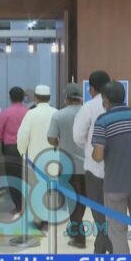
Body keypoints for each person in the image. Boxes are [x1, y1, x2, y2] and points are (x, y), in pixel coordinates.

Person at [91, 82, 131, 254]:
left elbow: (98, 156)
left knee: (117, 230)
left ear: (105, 100)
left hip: (115, 184)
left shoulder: (103, 121)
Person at [73, 70, 114, 254]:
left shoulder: (89, 107)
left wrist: (90, 145)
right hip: (117, 169)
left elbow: (78, 136)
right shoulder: (119, 105)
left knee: (99, 215)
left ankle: (110, 251)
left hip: (95, 168)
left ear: (91, 89)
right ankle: (101, 251)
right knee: (113, 215)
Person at [48, 83, 87, 248]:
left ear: (67, 98)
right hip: (89, 166)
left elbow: (51, 138)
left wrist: (61, 143)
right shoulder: (90, 114)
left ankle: (79, 237)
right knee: (83, 200)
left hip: (67, 166)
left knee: (71, 201)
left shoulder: (59, 115)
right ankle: (76, 228)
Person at [17, 85, 58, 229]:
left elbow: (22, 136)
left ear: (35, 97)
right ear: (49, 97)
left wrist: (22, 152)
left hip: (34, 159)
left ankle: (38, 219)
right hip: (53, 159)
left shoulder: (31, 114)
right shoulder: (56, 113)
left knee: (35, 189)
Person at [0, 87, 29, 217]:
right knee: (26, 177)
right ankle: (27, 206)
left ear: (10, 98)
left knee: (13, 177)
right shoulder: (28, 112)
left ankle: (18, 206)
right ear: (23, 98)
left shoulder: (5, 113)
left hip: (11, 148)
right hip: (26, 148)